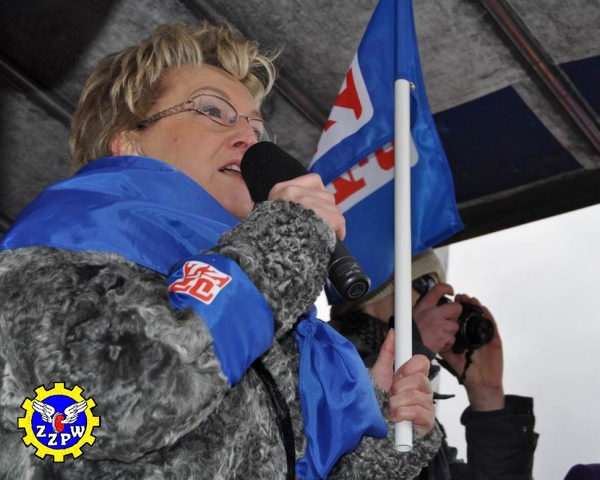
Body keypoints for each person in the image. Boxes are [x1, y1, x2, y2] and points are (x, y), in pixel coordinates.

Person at [0, 20, 443, 479]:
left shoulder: (268, 310)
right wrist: (284, 244)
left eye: (258, 128)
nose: (249, 139)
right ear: (128, 142)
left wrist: (379, 433)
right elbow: (106, 403)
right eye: (212, 110)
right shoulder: (43, 260)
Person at [330, 248, 538, 479]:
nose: (438, 305)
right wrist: (411, 347)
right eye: (425, 285)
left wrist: (487, 395)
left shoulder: (423, 418)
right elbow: (326, 442)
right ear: (375, 290)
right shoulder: (318, 352)